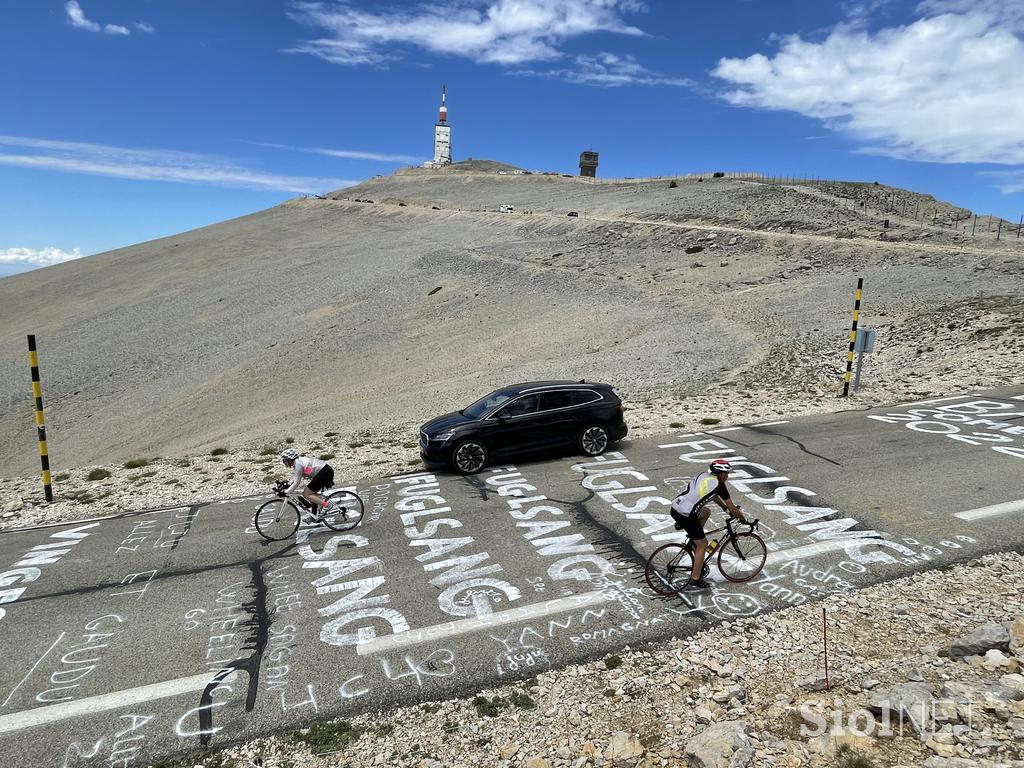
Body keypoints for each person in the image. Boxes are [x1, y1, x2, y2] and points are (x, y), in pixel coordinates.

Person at [669, 457, 747, 589]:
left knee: (706, 512)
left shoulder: (703, 475)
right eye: (726, 474)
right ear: (721, 474)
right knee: (703, 544)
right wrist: (742, 518)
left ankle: (694, 540)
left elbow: (714, 496)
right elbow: (733, 509)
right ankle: (695, 578)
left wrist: (724, 508)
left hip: (676, 508)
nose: (727, 476)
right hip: (686, 515)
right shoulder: (720, 485)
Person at [279, 448, 338, 520]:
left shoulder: (298, 464)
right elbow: (296, 476)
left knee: (306, 494)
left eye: (284, 460)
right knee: (311, 494)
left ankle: (328, 506)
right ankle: (315, 515)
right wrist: (287, 484)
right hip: (322, 472)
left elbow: (297, 482)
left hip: (324, 473)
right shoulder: (297, 462)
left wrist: (286, 492)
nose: (283, 462)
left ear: (290, 459)